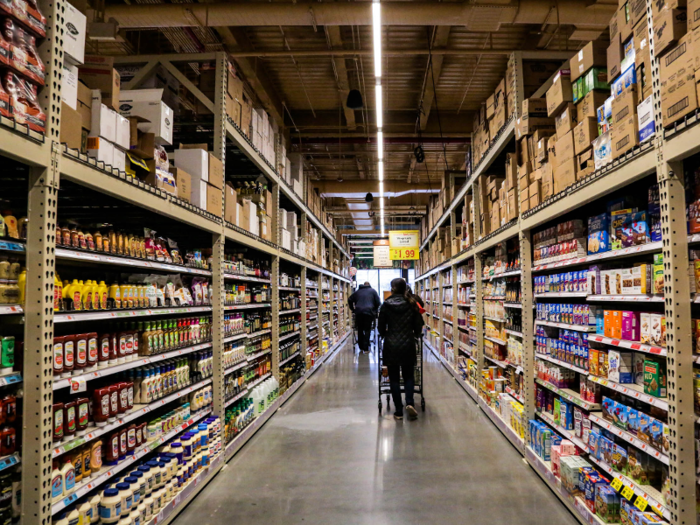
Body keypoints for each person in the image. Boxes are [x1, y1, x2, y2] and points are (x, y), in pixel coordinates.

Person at [378, 278, 424, 420]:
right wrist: (415, 334)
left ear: (392, 288)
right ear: (405, 289)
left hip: (391, 344)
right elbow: (418, 326)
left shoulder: (385, 304)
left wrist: (386, 334)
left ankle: (398, 410)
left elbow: (380, 327)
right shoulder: (412, 304)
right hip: (408, 343)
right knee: (408, 375)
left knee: (394, 378)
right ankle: (409, 403)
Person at [348, 281, 380, 354]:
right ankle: (366, 348)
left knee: (360, 329)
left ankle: (361, 347)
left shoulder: (357, 292)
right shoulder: (373, 291)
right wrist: (374, 310)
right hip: (369, 312)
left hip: (359, 312)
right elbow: (378, 302)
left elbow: (350, 299)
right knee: (367, 329)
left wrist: (353, 309)